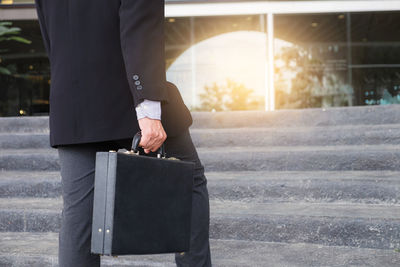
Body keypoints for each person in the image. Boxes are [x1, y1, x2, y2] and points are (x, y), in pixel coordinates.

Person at [34, 0, 212, 266]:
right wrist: (148, 107)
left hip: (73, 105)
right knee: (189, 181)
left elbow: (51, 35)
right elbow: (141, 27)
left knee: (80, 214)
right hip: (128, 98)